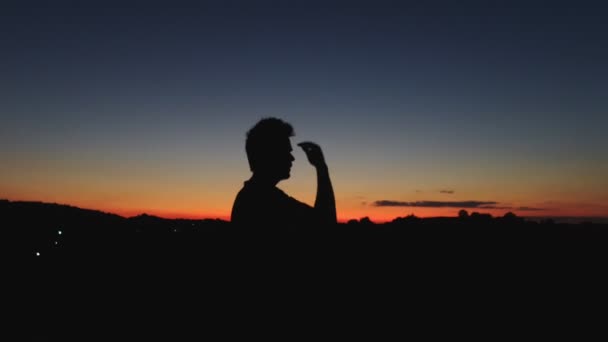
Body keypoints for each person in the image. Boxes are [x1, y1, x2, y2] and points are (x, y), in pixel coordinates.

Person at [231, 117, 337, 230]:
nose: (292, 158)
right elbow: (326, 223)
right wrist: (321, 167)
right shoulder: (267, 201)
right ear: (270, 154)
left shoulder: (255, 194)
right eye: (286, 151)